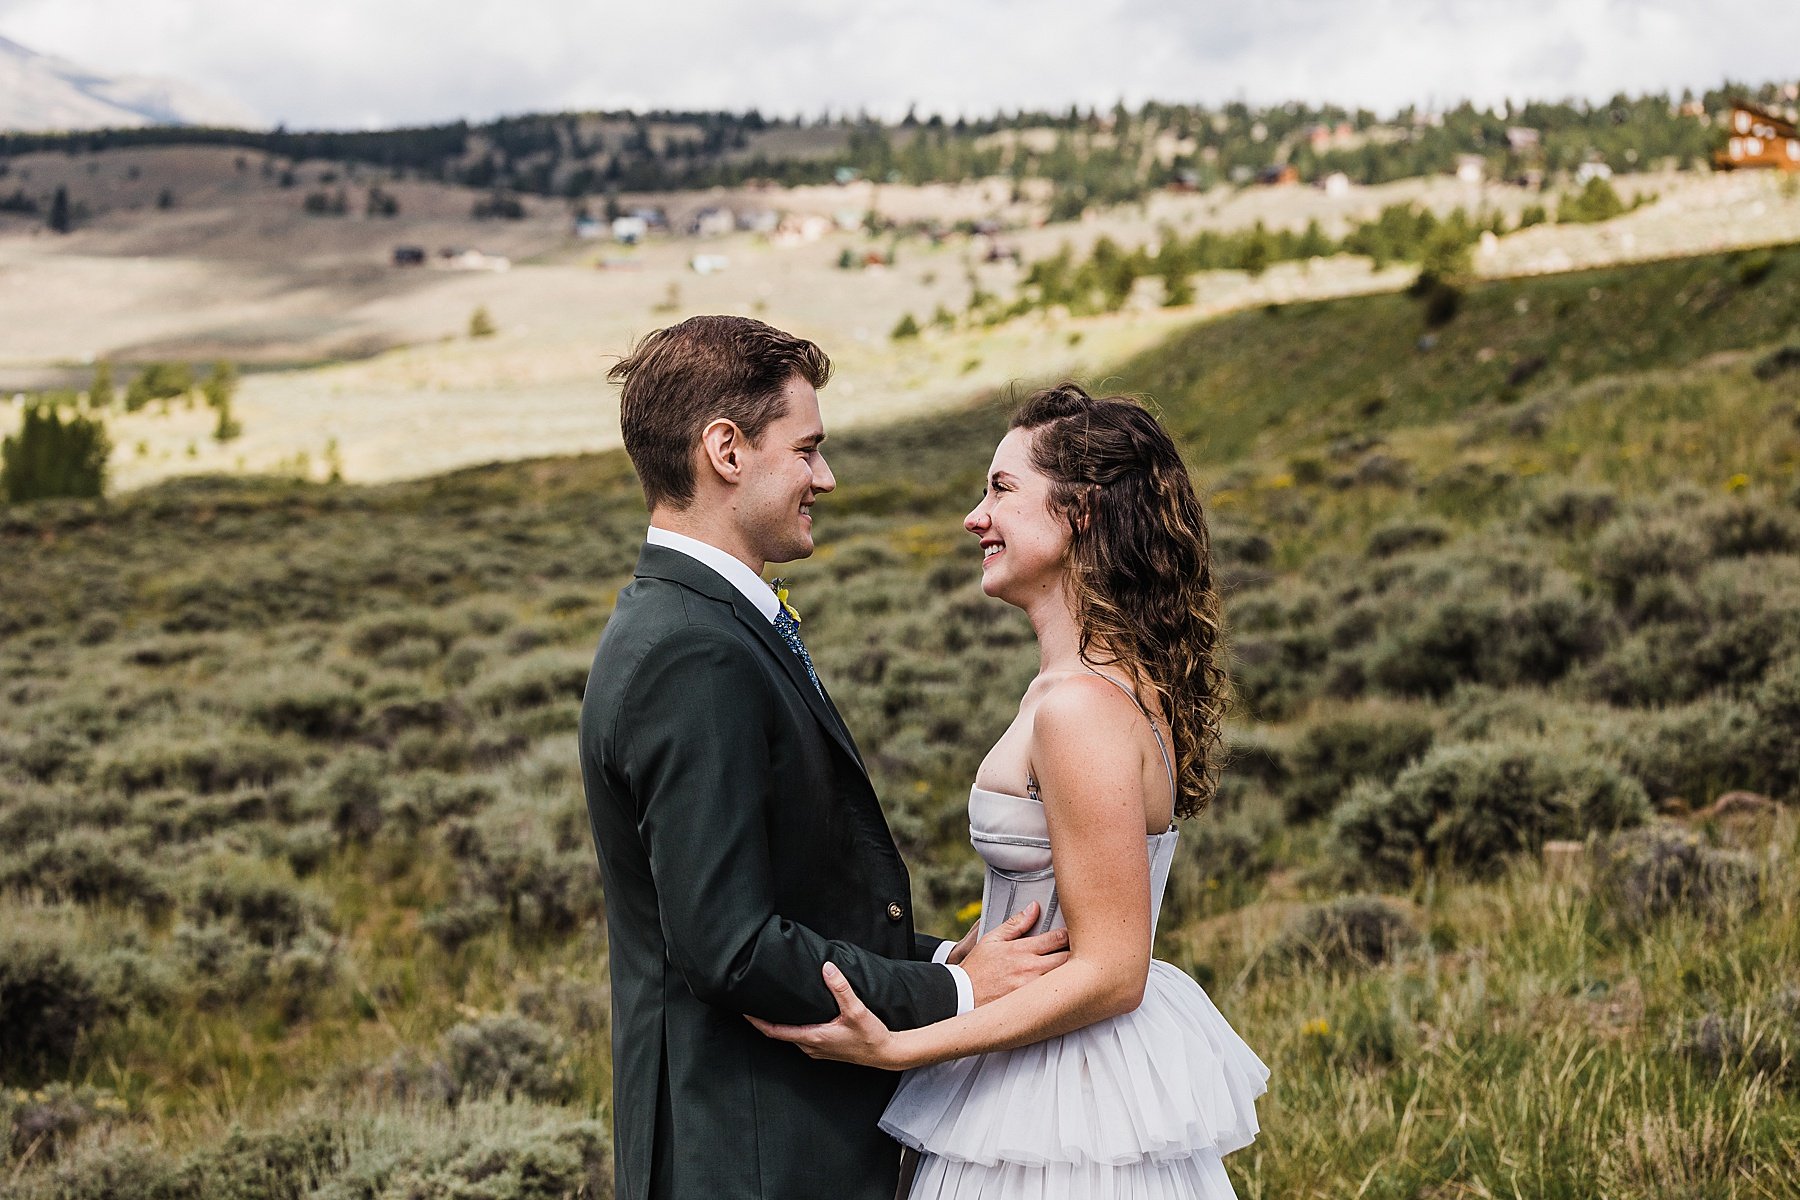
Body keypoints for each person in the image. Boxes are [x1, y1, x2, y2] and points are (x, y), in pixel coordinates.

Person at [578, 315, 1070, 1200]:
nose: (825, 478)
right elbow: (728, 945)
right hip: (755, 1156)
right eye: (807, 450)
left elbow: (789, 892)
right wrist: (951, 997)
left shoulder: (692, 623)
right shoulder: (693, 653)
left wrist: (940, 962)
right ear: (725, 450)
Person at [751, 382, 1270, 1198]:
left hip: (1063, 1087)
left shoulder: (1078, 709)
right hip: (1047, 1064)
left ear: (1082, 512)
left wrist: (899, 1048)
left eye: (1001, 489)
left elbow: (1111, 971)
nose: (975, 516)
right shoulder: (1087, 686)